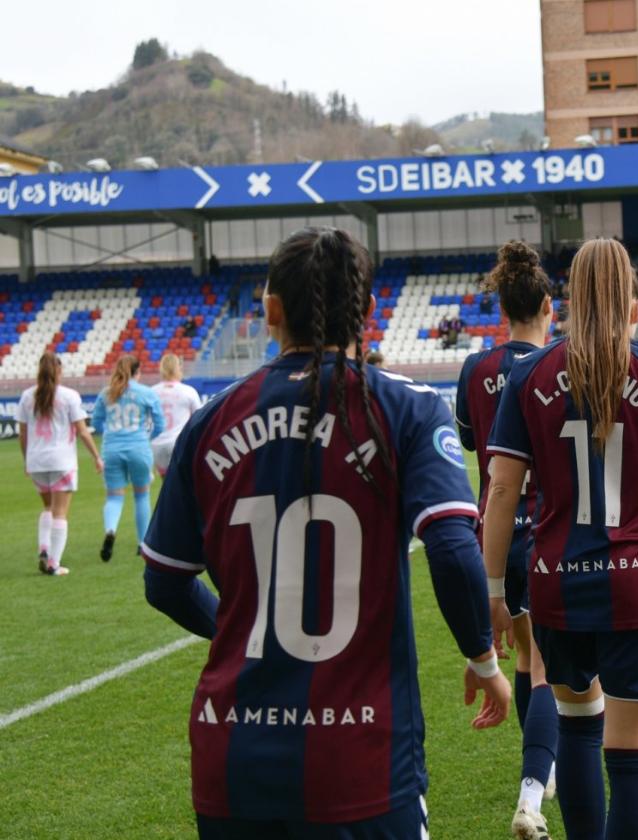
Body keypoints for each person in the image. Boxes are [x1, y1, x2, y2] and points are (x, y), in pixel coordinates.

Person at [141, 226, 510, 838]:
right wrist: (481, 656)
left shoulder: (209, 422)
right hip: (360, 755)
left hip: (233, 759)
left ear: (271, 312)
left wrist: (237, 631)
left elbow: (164, 582)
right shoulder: (407, 408)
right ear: (368, 313)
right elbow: (450, 546)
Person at [483, 238, 638, 840]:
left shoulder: (529, 372)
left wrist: (492, 588)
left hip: (557, 588)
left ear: (568, 299)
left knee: (577, 729)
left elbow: (502, 493)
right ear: (632, 302)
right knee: (634, 754)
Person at [455, 242, 560, 840]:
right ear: (548, 305)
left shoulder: (475, 368)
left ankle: (538, 768)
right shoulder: (555, 366)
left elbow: (474, 446)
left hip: (491, 532)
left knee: (524, 651)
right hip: (548, 527)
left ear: (502, 307)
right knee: (545, 664)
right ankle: (532, 794)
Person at [15, 352, 103, 576]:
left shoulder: (27, 396)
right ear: (59, 371)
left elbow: (22, 434)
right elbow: (82, 431)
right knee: (60, 512)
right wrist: (96, 456)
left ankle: (44, 549)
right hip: (62, 460)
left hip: (36, 461)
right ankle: (54, 563)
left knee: (47, 508)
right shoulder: (69, 396)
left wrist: (27, 460)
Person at [91, 355, 165, 561]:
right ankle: (142, 543)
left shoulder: (107, 393)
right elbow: (160, 423)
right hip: (138, 447)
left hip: (112, 449)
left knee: (114, 496)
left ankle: (110, 530)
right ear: (137, 372)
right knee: (141, 495)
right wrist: (146, 437)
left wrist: (111, 432)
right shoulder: (146, 393)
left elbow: (96, 422)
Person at [151, 353, 203, 478]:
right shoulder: (188, 391)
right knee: (185, 483)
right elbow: (200, 418)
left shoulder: (152, 392)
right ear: (178, 368)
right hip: (178, 442)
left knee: (167, 485)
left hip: (157, 444)